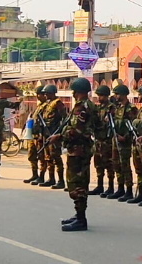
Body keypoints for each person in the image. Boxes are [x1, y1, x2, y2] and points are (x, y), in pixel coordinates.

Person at [47, 78, 98, 232]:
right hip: (79, 148)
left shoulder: (82, 108)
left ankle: (81, 219)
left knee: (77, 184)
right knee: (77, 183)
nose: (73, 93)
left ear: (80, 91)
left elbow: (76, 130)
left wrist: (59, 137)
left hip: (79, 149)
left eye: (75, 90)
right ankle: (79, 215)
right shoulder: (86, 106)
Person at [109, 84, 138, 201]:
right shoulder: (117, 108)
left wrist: (125, 137)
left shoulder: (130, 108)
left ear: (123, 95)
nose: (115, 96)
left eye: (117, 94)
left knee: (125, 165)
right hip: (115, 140)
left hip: (125, 141)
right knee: (116, 164)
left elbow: (133, 126)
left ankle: (129, 190)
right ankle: (120, 188)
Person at [89, 85, 114, 197]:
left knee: (108, 164)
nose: (99, 98)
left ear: (107, 96)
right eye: (98, 95)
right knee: (98, 164)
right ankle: (99, 186)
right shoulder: (98, 108)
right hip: (98, 140)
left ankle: (111, 187)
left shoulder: (111, 108)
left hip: (107, 141)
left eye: (102, 95)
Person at [39, 84, 66, 190]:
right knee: (48, 157)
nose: (45, 95)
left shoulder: (58, 103)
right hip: (46, 133)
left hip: (54, 133)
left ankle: (61, 180)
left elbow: (64, 118)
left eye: (47, 93)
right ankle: (51, 178)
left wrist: (59, 132)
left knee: (56, 158)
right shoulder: (47, 104)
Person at [24, 85, 47, 184]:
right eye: (37, 94)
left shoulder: (46, 106)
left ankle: (41, 176)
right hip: (33, 135)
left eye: (40, 94)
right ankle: (34, 174)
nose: (38, 96)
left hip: (40, 136)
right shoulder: (39, 106)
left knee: (41, 157)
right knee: (31, 155)